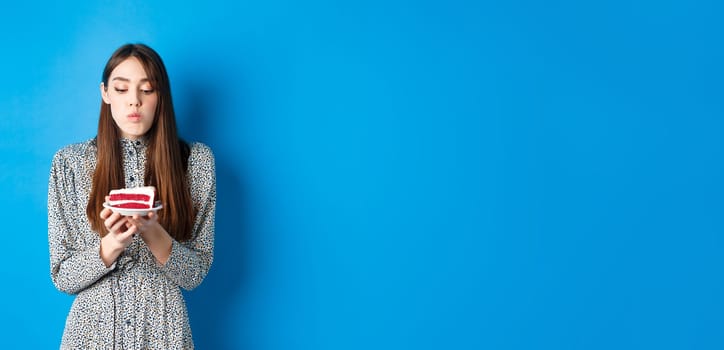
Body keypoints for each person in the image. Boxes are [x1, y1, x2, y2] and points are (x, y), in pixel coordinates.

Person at [48, 43, 216, 349]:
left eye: (147, 90)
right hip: (91, 335)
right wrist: (113, 243)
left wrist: (153, 232)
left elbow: (194, 275)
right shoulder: (69, 163)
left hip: (164, 331)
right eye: (122, 89)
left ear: (161, 95)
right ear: (105, 93)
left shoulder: (195, 161)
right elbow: (63, 277)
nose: (134, 102)